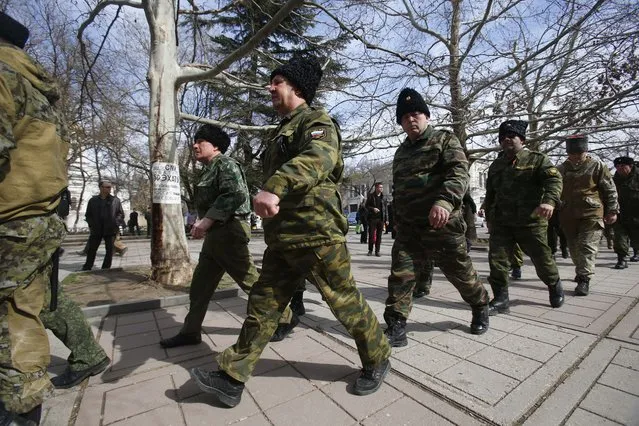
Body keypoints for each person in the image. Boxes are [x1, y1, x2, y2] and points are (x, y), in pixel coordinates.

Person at [190, 54, 391, 407]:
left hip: (316, 237)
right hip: (283, 239)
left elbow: (319, 158)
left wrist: (276, 184)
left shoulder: (316, 122)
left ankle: (377, 356)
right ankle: (232, 376)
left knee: (344, 303)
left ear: (296, 87)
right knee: (263, 305)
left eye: (277, 82)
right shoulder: (281, 130)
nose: (270, 87)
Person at [159, 124, 298, 349]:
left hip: (229, 232)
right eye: (194, 141)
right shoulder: (208, 169)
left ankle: (286, 317)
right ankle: (190, 331)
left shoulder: (226, 164)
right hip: (216, 235)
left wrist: (207, 220)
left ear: (215, 146)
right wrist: (203, 222)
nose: (194, 145)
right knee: (200, 287)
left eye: (200, 141)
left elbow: (235, 194)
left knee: (250, 281)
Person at [0, 12, 68, 423]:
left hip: (11, 223)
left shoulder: (4, 75)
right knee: (21, 317)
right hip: (34, 223)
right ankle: (25, 411)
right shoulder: (39, 91)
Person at [384, 88, 490, 348]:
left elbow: (458, 173)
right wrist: (396, 219)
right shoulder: (401, 153)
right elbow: (399, 190)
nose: (411, 119)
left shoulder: (445, 140)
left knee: (461, 275)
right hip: (409, 230)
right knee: (401, 276)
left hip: (442, 226)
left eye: (416, 113)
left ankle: (480, 304)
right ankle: (396, 324)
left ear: (427, 116)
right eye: (405, 116)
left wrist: (444, 201)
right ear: (401, 122)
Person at [482, 120, 564, 315]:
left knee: (541, 259)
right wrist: (490, 216)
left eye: (511, 136)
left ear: (522, 139)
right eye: (502, 137)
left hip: (530, 222)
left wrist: (549, 201)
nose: (506, 140)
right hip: (503, 222)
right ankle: (501, 298)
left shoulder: (537, 160)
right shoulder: (496, 165)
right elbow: (490, 194)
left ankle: (554, 284)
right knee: (497, 261)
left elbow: (554, 179)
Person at [558, 135, 618, 295]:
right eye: (573, 154)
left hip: (591, 213)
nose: (577, 157)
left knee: (587, 246)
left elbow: (609, 189)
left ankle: (584, 279)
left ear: (586, 151)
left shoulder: (597, 166)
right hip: (568, 214)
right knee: (574, 248)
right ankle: (581, 270)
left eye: (580, 153)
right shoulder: (561, 169)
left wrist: (612, 210)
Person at [81, 180, 124, 270]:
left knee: (109, 250)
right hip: (96, 229)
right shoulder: (93, 200)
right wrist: (91, 224)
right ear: (101, 188)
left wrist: (116, 222)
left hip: (110, 229)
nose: (109, 189)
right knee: (92, 249)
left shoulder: (115, 200)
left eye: (110, 187)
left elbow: (120, 214)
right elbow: (88, 215)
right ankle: (88, 266)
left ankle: (105, 268)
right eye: (107, 187)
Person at [612, 156, 639, 268]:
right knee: (619, 236)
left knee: (636, 236)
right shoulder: (614, 179)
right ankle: (621, 259)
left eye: (623, 166)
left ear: (631, 166)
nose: (620, 169)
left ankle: (636, 252)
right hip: (620, 212)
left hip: (636, 213)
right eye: (617, 167)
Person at [366, 182, 388, 256]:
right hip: (372, 219)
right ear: (376, 188)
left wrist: (387, 219)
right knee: (371, 235)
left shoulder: (384, 197)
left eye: (382, 187)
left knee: (379, 236)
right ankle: (370, 250)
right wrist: (373, 209)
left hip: (381, 219)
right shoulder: (371, 196)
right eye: (380, 187)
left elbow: (386, 209)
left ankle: (377, 251)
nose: (381, 189)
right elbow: (366, 206)